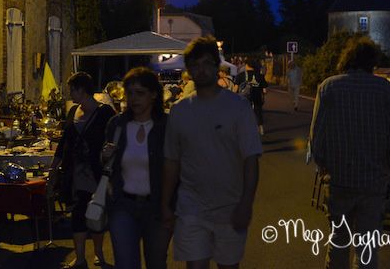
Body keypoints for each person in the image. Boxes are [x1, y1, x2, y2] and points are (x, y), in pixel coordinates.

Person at [162, 36, 262, 269]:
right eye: (195, 65)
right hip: (191, 208)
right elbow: (171, 161)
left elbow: (250, 158)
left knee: (228, 265)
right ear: (188, 71)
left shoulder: (238, 107)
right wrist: (166, 203)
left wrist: (246, 203)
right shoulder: (179, 112)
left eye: (207, 63)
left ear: (217, 66)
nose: (201, 69)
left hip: (230, 206)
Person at [309, 37, 390, 269]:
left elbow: (316, 138)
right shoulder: (384, 88)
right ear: (372, 62)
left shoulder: (328, 87)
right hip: (372, 181)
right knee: (367, 248)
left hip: (339, 180)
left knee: (338, 243)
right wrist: (387, 169)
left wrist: (325, 168)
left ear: (347, 59)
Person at [101, 67, 172, 269]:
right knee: (125, 263)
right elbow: (107, 165)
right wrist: (104, 155)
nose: (134, 99)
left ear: (153, 95)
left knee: (156, 262)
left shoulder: (166, 126)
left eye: (140, 93)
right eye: (129, 93)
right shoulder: (117, 124)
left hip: (157, 207)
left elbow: (176, 167)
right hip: (123, 205)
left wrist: (171, 206)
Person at [51, 72, 116, 269]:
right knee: (78, 213)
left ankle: (98, 253)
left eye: (72, 89)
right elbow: (64, 142)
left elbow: (115, 139)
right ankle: (80, 258)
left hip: (97, 172)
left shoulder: (105, 113)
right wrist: (54, 167)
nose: (70, 93)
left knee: (96, 213)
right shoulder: (73, 112)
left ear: (82, 90)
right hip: (76, 173)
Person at [234, 59, 268, 135]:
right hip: (257, 96)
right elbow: (265, 87)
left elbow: (235, 89)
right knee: (258, 111)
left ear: (247, 65)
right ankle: (261, 128)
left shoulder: (240, 75)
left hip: (244, 97)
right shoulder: (260, 75)